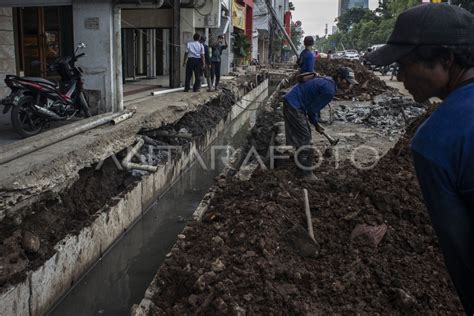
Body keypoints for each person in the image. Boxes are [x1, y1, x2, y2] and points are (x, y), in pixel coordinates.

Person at [365, 4, 474, 315]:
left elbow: (461, 253)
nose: (399, 76)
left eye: (405, 65)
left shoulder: (436, 140)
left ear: (445, 60)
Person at [283, 68, 358, 181]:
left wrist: (315, 123)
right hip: (294, 106)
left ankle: (300, 165)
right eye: (347, 82)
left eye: (350, 83)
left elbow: (311, 109)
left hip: (294, 103)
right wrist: (316, 124)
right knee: (305, 139)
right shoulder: (329, 90)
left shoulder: (328, 81)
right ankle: (306, 174)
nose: (349, 86)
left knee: (304, 135)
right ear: (339, 78)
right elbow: (312, 111)